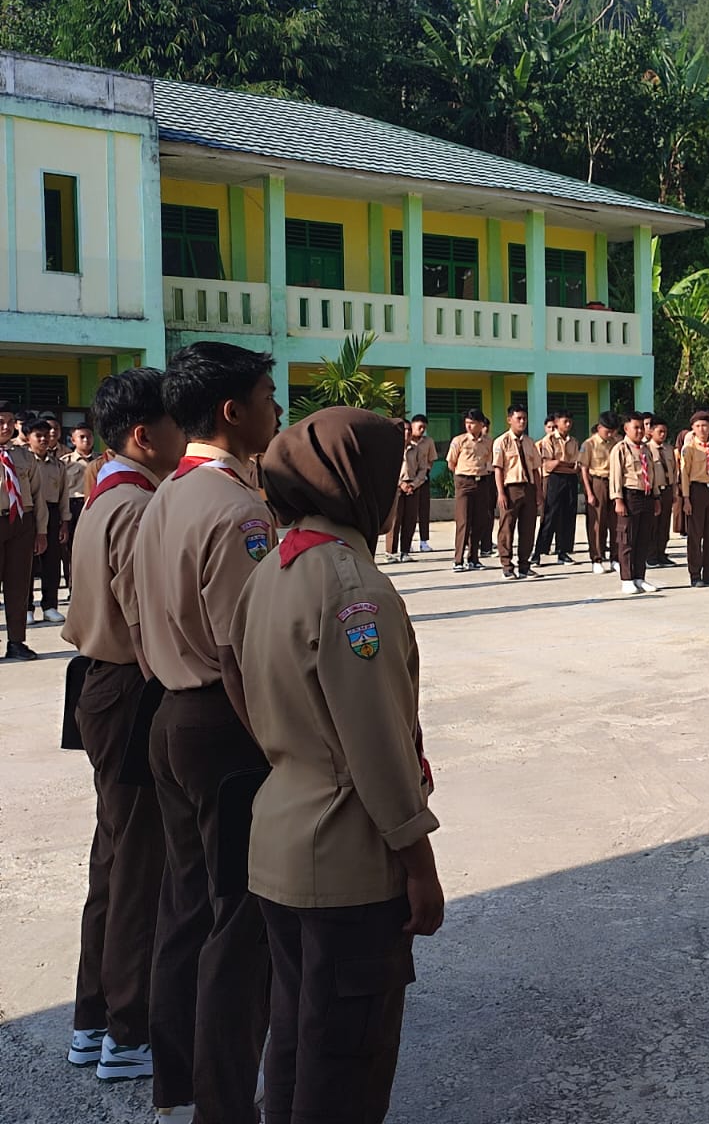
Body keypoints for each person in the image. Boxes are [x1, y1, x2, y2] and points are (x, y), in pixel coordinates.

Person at [229, 407, 443, 1124]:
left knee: (296, 1041)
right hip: (347, 859)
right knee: (346, 1064)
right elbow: (378, 747)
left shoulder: (272, 570)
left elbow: (235, 677)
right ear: (358, 482)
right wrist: (419, 864)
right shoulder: (353, 589)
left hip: (281, 839)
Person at [133, 341, 280, 1123]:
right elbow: (244, 652)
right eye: (267, 396)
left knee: (187, 904)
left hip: (168, 711)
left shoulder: (164, 494)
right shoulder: (237, 510)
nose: (276, 410)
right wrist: (283, 746)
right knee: (239, 922)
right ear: (232, 411)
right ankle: (225, 1103)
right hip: (224, 725)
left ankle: (179, 1079)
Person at [60, 368, 185, 1084]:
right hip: (131, 689)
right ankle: (129, 1030)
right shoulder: (137, 506)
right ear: (144, 434)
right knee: (139, 866)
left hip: (102, 685)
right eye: (175, 422)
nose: (185, 433)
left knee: (114, 859)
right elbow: (149, 626)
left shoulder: (108, 491)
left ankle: (94, 1018)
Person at [0, 400, 46, 659]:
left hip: (21, 522)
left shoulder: (24, 455)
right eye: (0, 422)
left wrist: (41, 531)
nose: (6, 427)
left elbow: (38, 495)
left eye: (10, 422)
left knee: (18, 585)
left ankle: (16, 641)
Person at [23, 416, 72, 623]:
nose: (44, 439)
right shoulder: (23, 462)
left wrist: (64, 522)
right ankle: (26, 607)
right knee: (27, 563)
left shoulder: (58, 465)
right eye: (38, 436)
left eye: (46, 436)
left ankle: (50, 606)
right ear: (28, 437)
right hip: (28, 512)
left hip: (52, 513)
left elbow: (64, 495)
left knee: (52, 562)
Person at [610, 412, 665, 596]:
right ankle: (626, 579)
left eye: (642, 427)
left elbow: (653, 474)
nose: (640, 431)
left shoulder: (646, 449)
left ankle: (639, 577)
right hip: (630, 495)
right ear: (626, 429)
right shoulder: (620, 448)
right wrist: (618, 500)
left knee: (643, 539)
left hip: (647, 495)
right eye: (636, 427)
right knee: (627, 539)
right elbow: (616, 476)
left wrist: (656, 497)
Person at [680, 412, 709, 588]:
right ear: (693, 428)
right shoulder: (689, 448)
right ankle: (695, 574)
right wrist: (686, 499)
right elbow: (684, 475)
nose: (702, 429)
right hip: (696, 491)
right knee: (695, 535)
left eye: (705, 426)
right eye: (698, 426)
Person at [493, 407, 541, 580]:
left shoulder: (529, 442)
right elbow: (498, 469)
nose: (522, 422)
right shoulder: (502, 442)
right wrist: (501, 493)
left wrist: (538, 492)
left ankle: (524, 566)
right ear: (509, 420)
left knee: (528, 528)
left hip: (528, 487)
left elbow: (535, 469)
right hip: (511, 488)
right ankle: (507, 566)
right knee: (507, 528)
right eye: (518, 418)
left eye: (524, 418)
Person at [446, 410, 493, 572]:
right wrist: (462, 476)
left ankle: (473, 558)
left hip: (482, 481)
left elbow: (490, 461)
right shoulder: (459, 440)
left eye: (472, 423)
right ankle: (458, 560)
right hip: (464, 481)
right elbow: (451, 463)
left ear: (481, 424)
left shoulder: (488, 442)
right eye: (467, 423)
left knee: (480, 521)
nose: (469, 426)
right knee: (464, 521)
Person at [534, 409, 581, 565]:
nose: (568, 424)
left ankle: (563, 551)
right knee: (550, 515)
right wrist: (562, 464)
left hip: (570, 480)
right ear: (556, 422)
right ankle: (539, 552)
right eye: (564, 421)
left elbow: (576, 466)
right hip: (554, 480)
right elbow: (549, 465)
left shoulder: (573, 441)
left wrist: (560, 463)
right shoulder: (549, 440)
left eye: (570, 421)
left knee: (568, 515)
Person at [580, 412, 620, 576]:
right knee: (597, 523)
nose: (610, 434)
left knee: (616, 523)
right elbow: (584, 469)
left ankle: (615, 558)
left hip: (614, 483)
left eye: (612, 431)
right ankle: (596, 559)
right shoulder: (589, 444)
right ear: (599, 427)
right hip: (597, 482)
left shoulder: (616, 443)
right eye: (607, 431)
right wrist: (589, 492)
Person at [386, 417, 431, 564]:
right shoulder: (391, 449)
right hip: (396, 488)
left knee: (410, 520)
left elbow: (423, 469)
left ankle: (405, 551)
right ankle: (391, 552)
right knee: (395, 520)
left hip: (413, 487)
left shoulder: (416, 449)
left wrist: (414, 484)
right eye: (404, 430)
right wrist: (401, 484)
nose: (407, 433)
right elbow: (387, 469)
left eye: (409, 430)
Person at [63, 423, 97, 584]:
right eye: (81, 437)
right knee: (72, 548)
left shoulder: (102, 460)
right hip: (73, 506)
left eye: (89, 436)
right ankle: (73, 585)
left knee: (95, 547)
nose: (86, 440)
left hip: (96, 506)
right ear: (73, 440)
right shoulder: (65, 462)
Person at [647, 420, 679, 568]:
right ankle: (651, 555)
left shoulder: (669, 449)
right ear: (651, 431)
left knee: (664, 524)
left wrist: (675, 491)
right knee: (652, 525)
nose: (663, 434)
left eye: (665, 432)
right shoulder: (647, 449)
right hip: (654, 490)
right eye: (659, 431)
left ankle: (661, 553)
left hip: (667, 489)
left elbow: (674, 471)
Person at [408, 415, 438, 553]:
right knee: (408, 513)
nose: (422, 430)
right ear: (412, 426)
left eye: (424, 428)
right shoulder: (406, 442)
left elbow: (431, 459)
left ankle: (424, 541)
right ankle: (407, 542)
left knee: (424, 511)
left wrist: (425, 472)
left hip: (423, 478)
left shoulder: (428, 441)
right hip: (408, 479)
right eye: (419, 427)